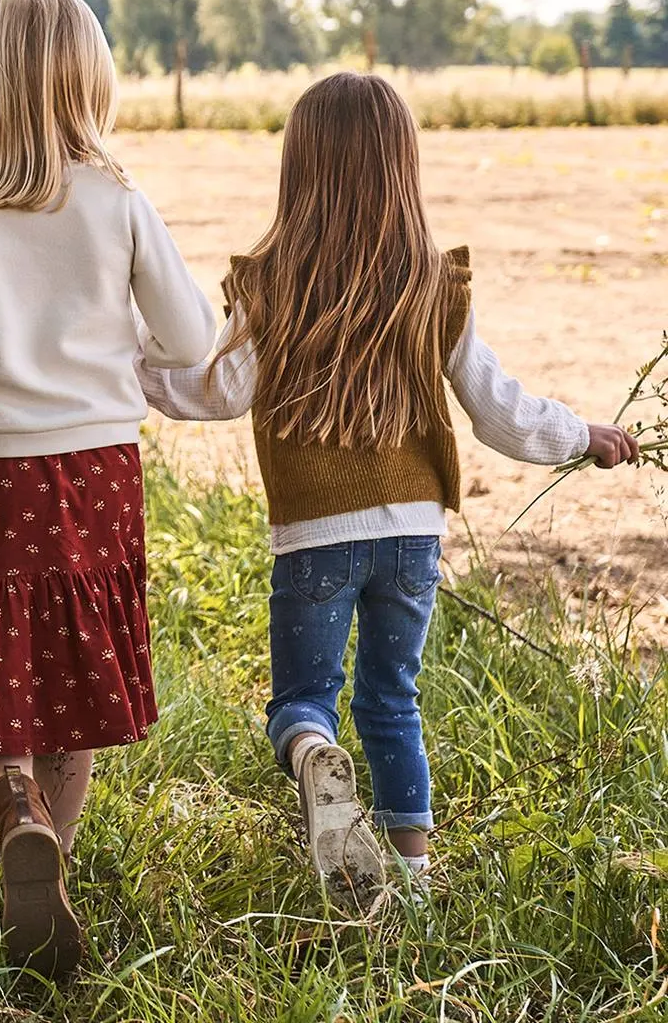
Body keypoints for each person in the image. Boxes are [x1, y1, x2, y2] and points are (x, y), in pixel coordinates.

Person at [137, 72, 638, 912]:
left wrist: (125, 363)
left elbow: (214, 392)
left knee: (305, 699)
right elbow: (501, 411)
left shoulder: (272, 284)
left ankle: (310, 758)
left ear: (299, 170)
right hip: (411, 537)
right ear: (403, 168)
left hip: (314, 538)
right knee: (390, 697)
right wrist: (584, 435)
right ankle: (413, 875)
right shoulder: (433, 285)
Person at [0, 0, 215, 979]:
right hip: (101, 469)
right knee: (78, 673)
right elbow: (193, 338)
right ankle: (51, 856)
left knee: (1, 652)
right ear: (89, 81)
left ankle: (10, 802)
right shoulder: (118, 202)